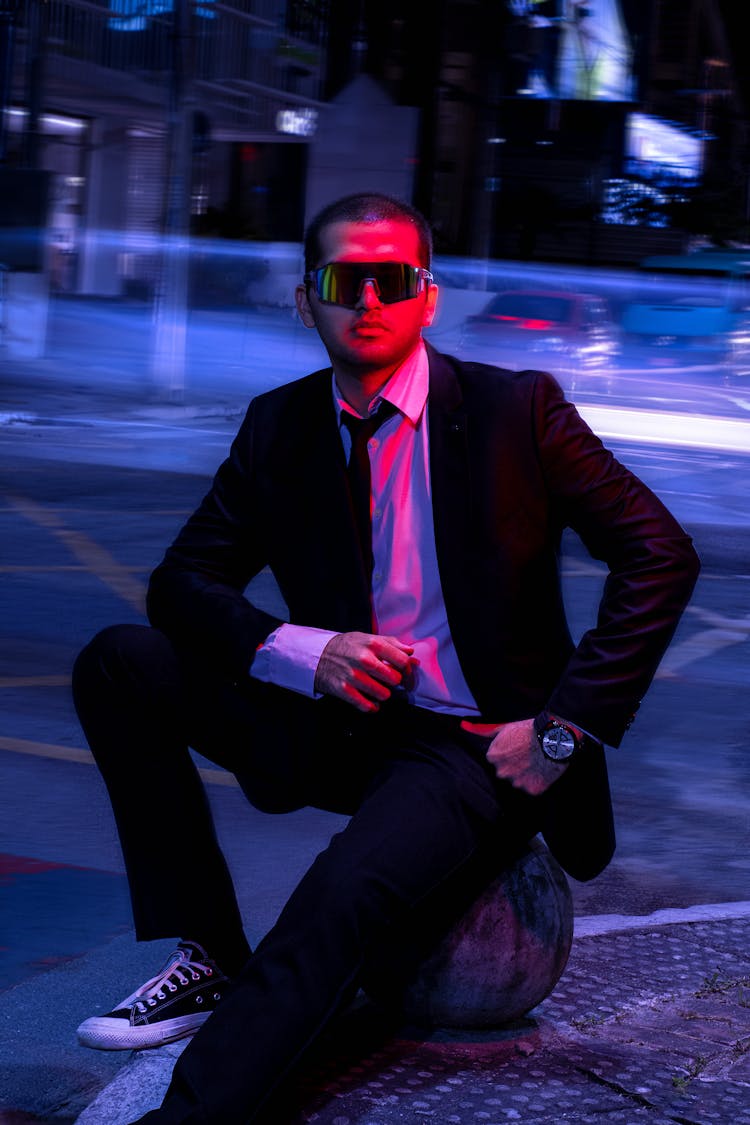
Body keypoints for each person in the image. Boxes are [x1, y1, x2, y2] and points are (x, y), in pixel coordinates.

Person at [72, 191, 699, 1124]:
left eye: (392, 279)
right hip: (335, 717)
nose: (368, 300)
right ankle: (206, 952)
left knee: (338, 899)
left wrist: (563, 729)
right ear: (306, 299)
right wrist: (302, 648)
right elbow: (182, 583)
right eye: (342, 280)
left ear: (428, 297)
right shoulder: (280, 425)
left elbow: (660, 553)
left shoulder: (514, 410)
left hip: (472, 742)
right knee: (119, 660)